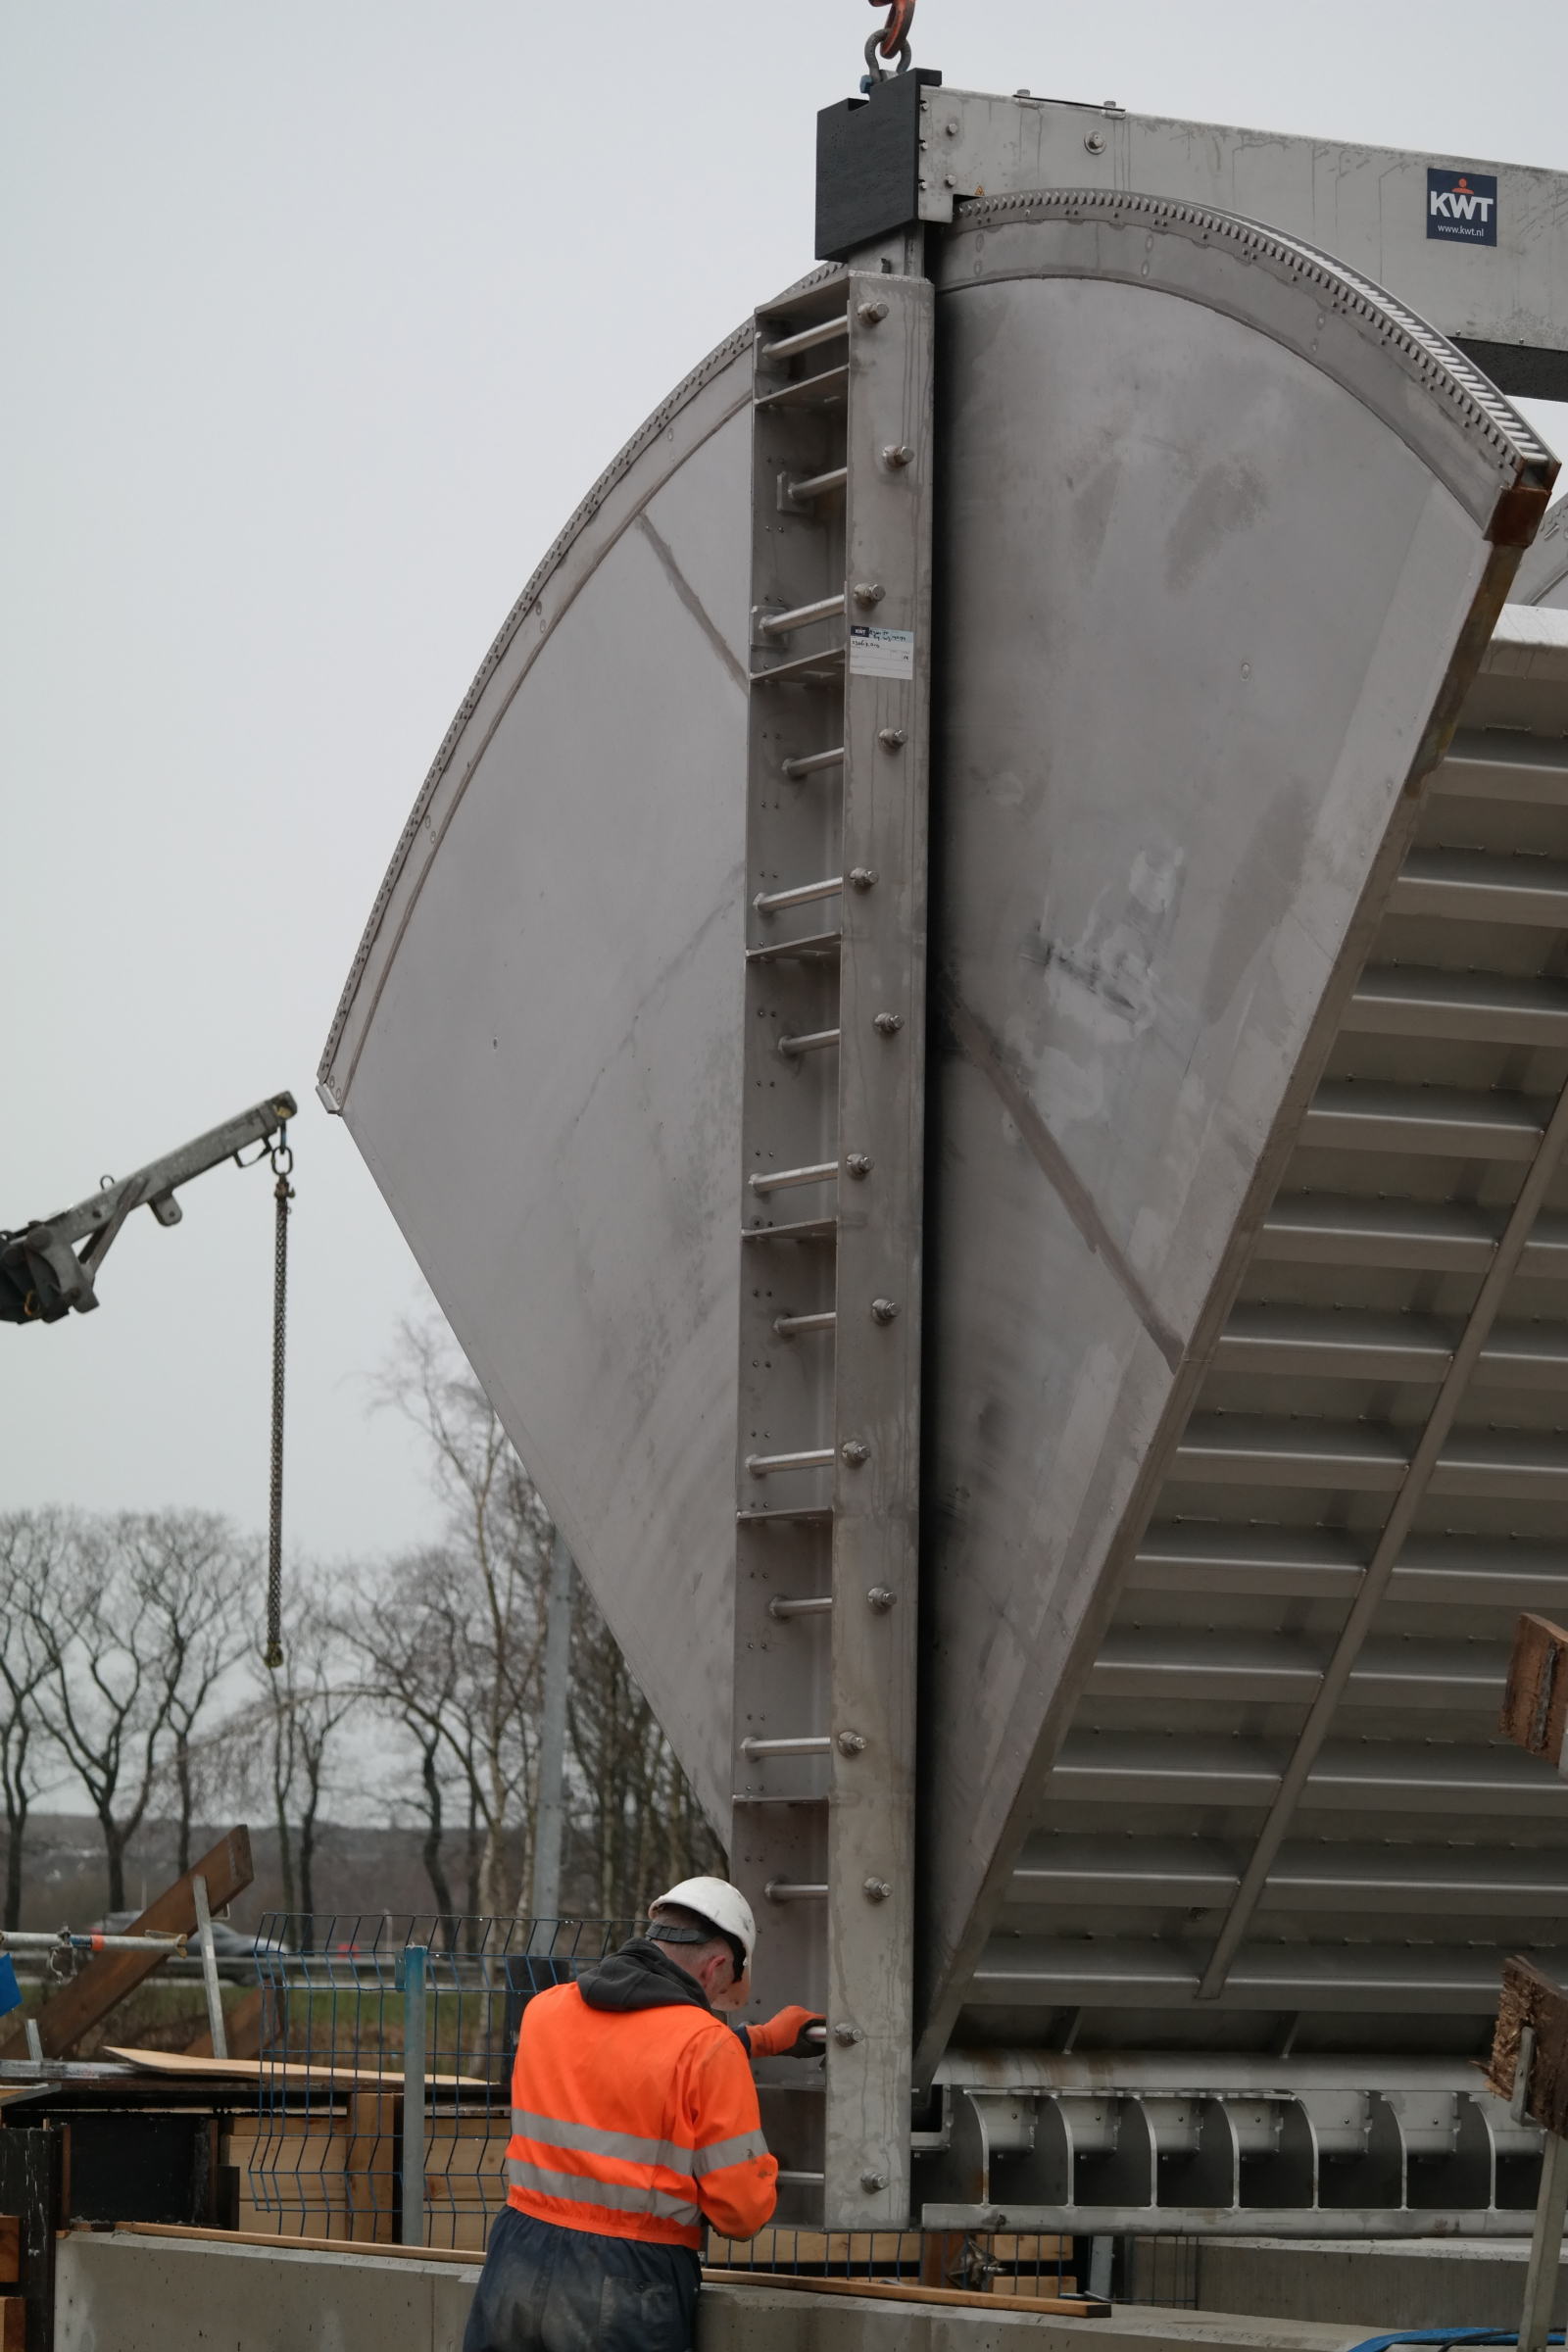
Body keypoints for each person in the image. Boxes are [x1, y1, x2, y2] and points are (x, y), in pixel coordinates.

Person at [463, 1877, 822, 2352]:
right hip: (630, 2275)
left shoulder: (545, 2010)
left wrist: (760, 2039)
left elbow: (629, 2055)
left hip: (516, 2254)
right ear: (717, 1966)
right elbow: (740, 2214)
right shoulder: (706, 2047)